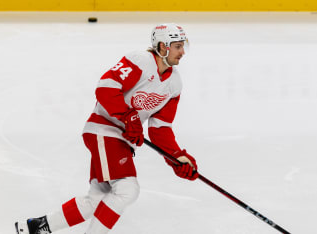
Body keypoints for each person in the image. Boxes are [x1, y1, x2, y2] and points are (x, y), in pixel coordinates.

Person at [15, 23, 199, 234]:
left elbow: (160, 129)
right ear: (162, 46)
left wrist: (177, 157)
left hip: (121, 140)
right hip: (105, 130)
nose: (182, 52)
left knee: (97, 199)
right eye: (177, 46)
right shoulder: (140, 60)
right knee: (127, 190)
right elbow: (105, 87)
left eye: (183, 46)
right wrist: (127, 116)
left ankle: (36, 227)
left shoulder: (174, 84)